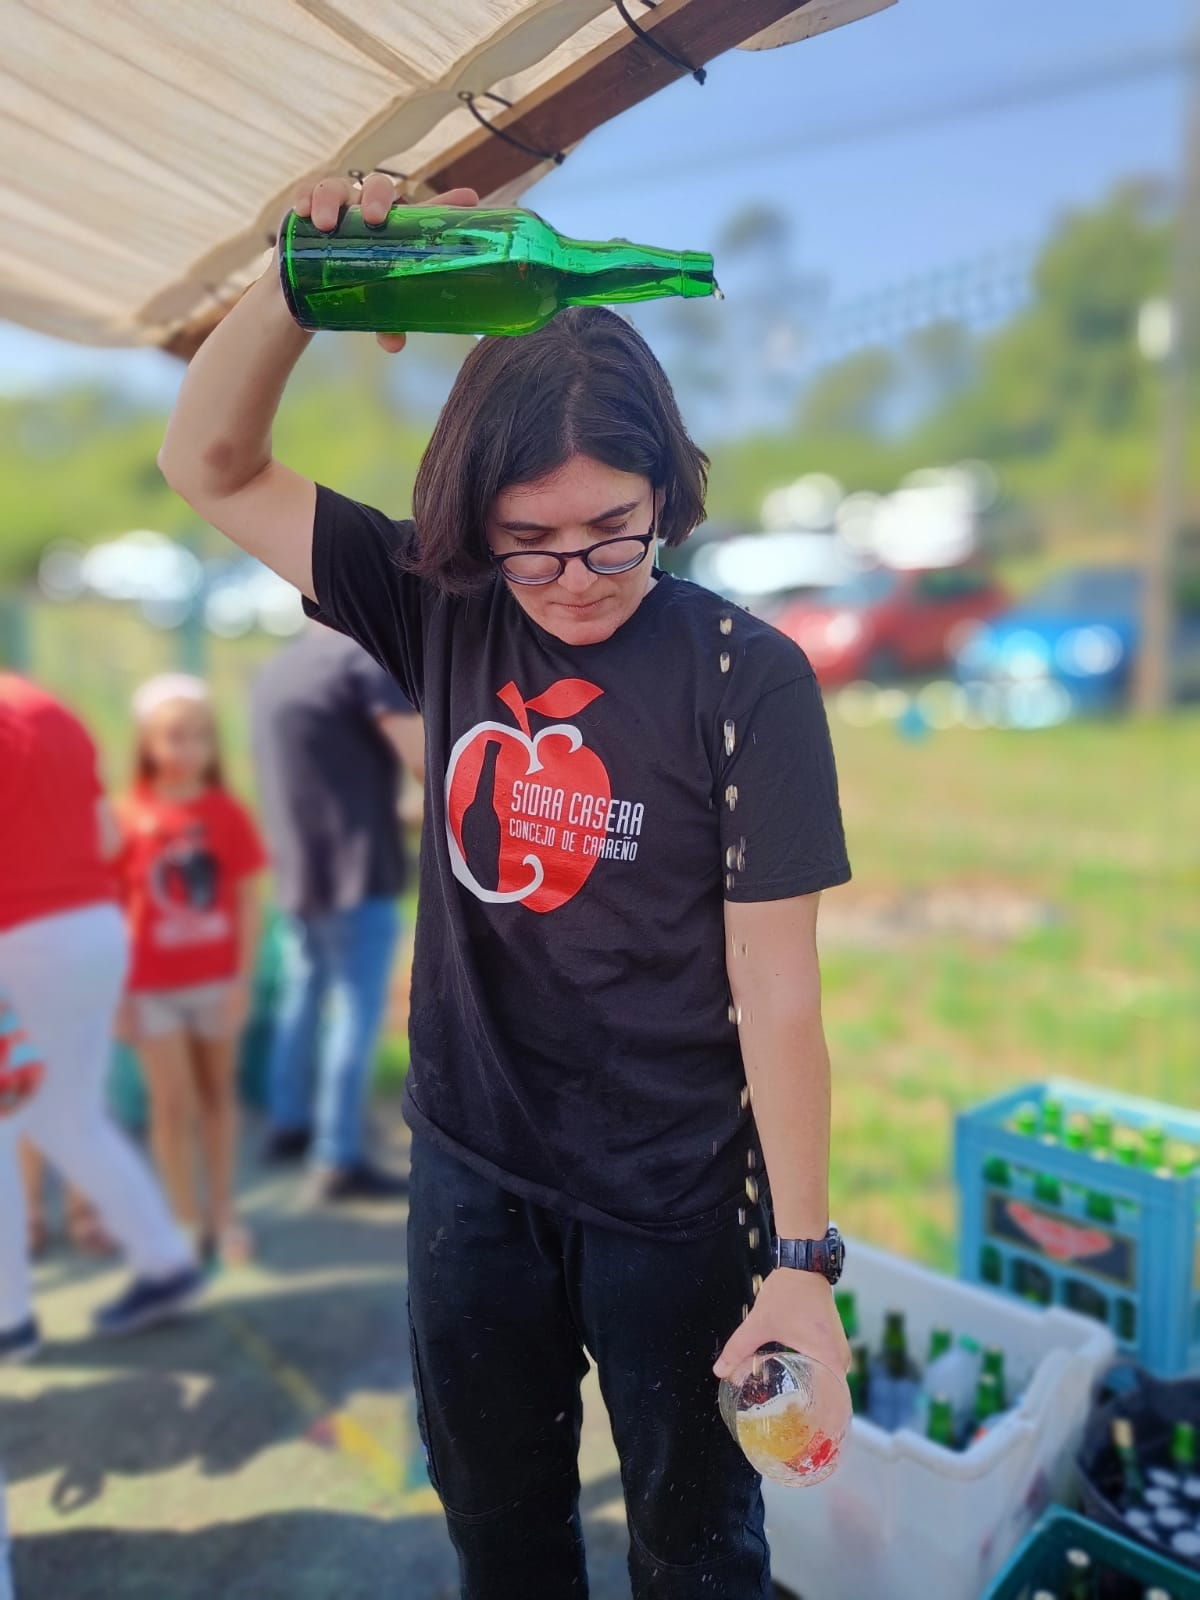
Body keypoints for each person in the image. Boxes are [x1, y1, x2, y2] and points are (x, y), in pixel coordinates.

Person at [158, 172, 852, 1599]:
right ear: (471, 519)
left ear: (669, 490)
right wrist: (308, 279)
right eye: (529, 539)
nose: (576, 576)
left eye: (613, 529)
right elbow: (210, 462)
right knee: (502, 1532)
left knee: (699, 1548)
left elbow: (778, 991)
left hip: (671, 1194)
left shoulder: (744, 678)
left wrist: (802, 1260)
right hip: (473, 1175)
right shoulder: (441, 604)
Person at [0, 674, 201, 1361]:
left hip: (18, 936)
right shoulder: (49, 706)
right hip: (89, 930)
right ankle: (165, 1263)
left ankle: (10, 1321)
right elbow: (106, 833)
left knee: (11, 1125)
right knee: (66, 1115)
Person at [251, 625, 423, 1201]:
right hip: (356, 872)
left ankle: (289, 1122)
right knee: (355, 1011)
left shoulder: (283, 667)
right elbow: (427, 762)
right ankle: (337, 1156)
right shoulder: (363, 659)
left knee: (301, 999)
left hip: (299, 871)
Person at [115, 675, 266, 1268]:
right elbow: (110, 908)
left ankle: (223, 1211)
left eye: (201, 737)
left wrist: (240, 980)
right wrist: (118, 993)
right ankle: (179, 1219)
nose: (188, 749)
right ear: (147, 742)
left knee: (216, 1099)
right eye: (174, 737)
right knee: (170, 1105)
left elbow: (250, 901)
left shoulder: (226, 814)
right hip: (149, 989)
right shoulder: (126, 815)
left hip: (213, 985)